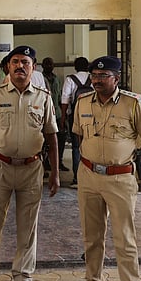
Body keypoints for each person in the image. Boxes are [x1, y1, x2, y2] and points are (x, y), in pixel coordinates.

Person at [66, 56, 141, 281]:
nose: (96, 80)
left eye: (102, 76)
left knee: (124, 238)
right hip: (88, 176)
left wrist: (134, 163)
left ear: (116, 78)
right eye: (94, 76)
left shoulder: (133, 103)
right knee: (91, 236)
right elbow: (79, 135)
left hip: (120, 178)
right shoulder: (83, 102)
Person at [0, 46, 60, 281]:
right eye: (16, 62)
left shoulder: (43, 97)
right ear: (8, 67)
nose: (20, 66)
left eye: (26, 63)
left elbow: (52, 136)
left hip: (32, 169)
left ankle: (23, 276)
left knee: (28, 225)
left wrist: (54, 172)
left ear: (33, 68)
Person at [60, 56, 91, 187]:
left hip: (76, 117)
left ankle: (77, 178)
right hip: (92, 117)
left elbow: (65, 100)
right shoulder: (93, 78)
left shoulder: (70, 79)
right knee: (91, 145)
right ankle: (90, 177)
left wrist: (63, 119)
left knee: (76, 147)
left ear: (75, 67)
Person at [41, 57, 69, 172]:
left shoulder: (56, 79)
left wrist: (63, 115)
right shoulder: (40, 78)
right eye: (46, 64)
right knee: (44, 141)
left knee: (60, 138)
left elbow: (59, 97)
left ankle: (58, 161)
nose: (49, 66)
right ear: (42, 66)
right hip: (44, 113)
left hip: (56, 113)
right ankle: (45, 162)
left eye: (50, 64)